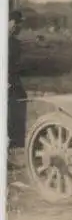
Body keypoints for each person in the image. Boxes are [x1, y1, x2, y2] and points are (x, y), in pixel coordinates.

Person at [8, 10, 25, 151]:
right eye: (15, 23)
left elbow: (17, 65)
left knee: (20, 98)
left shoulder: (16, 43)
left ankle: (17, 138)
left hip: (13, 79)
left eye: (20, 24)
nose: (18, 27)